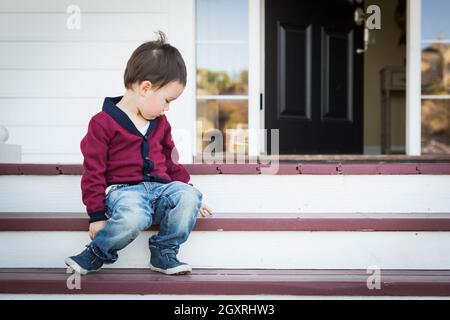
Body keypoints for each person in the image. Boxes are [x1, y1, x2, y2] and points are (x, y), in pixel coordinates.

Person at [65, 31, 212, 276]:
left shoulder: (161, 123)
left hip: (159, 189)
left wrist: (188, 191)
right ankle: (97, 252)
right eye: (167, 100)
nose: (167, 108)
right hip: (123, 193)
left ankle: (164, 252)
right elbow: (94, 171)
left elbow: (170, 162)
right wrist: (97, 215)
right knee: (134, 215)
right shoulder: (102, 123)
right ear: (145, 88)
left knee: (189, 196)